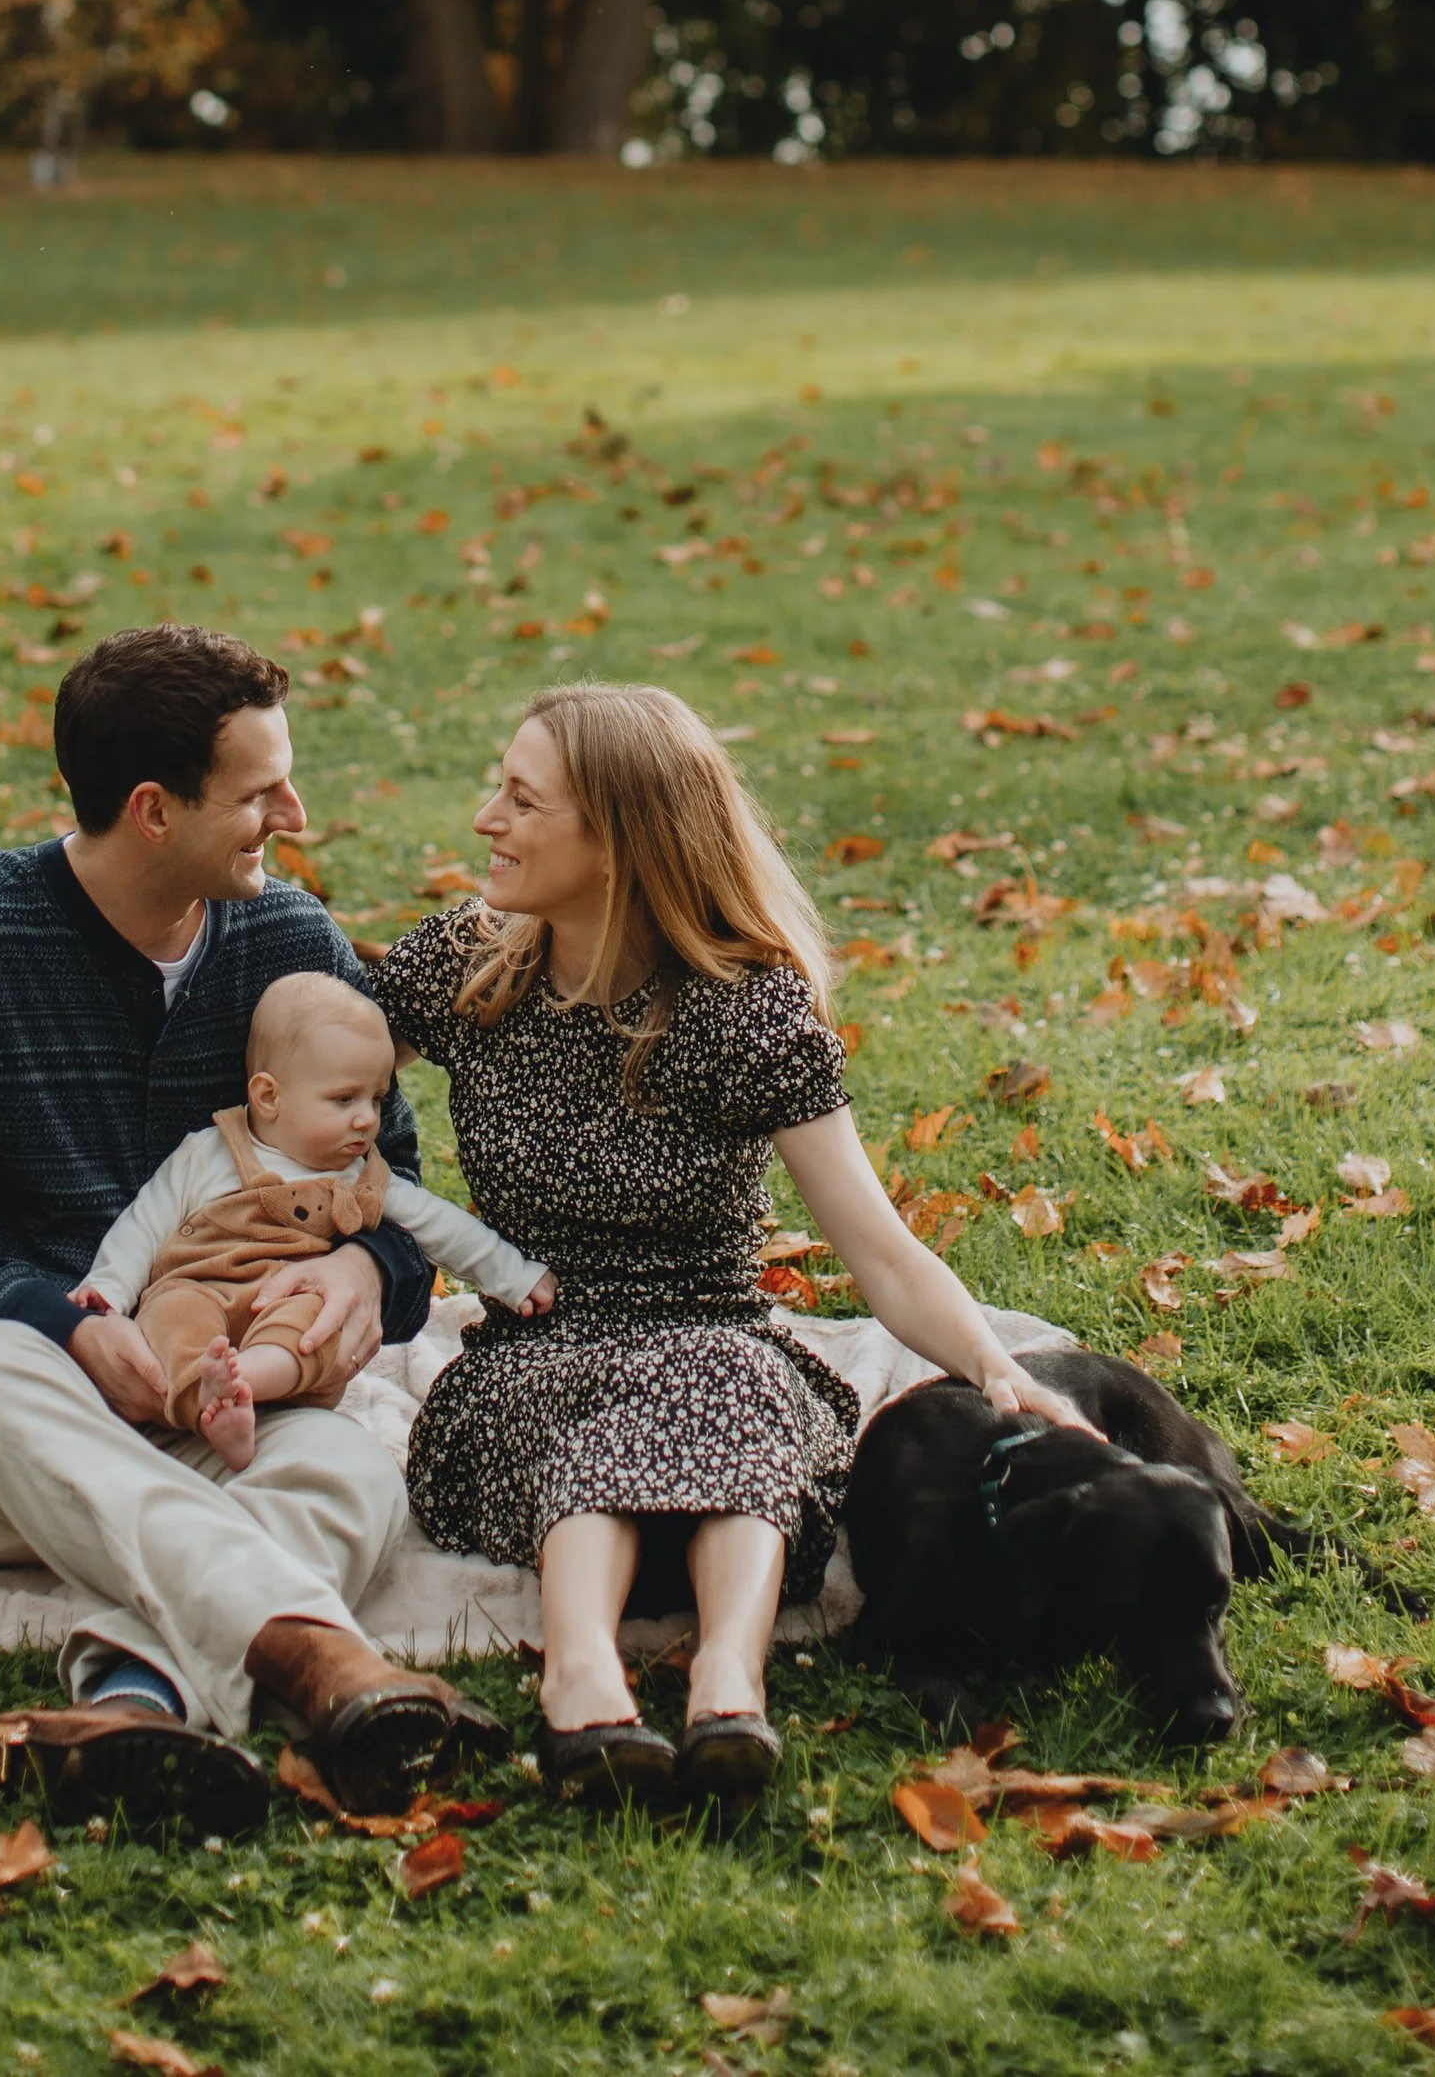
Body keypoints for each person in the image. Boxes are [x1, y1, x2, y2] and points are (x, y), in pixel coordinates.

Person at [0, 622, 503, 1835]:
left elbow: (386, 1179)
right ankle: (320, 1662)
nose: (291, 811)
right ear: (152, 810)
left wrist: (363, 1263)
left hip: (222, 1393)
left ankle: (135, 1705)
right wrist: (43, 1318)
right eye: (258, 790)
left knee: (349, 1476)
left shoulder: (290, 944)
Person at [368, 681, 1092, 1808]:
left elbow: (880, 1250)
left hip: (718, 1357)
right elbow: (306, 1071)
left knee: (724, 1375)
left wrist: (995, 1368)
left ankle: (726, 1691)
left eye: (520, 799)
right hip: (529, 1362)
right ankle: (582, 1682)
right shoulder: (470, 965)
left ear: (615, 841)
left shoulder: (742, 1012)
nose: (485, 822)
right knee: (616, 1397)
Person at [72, 969, 555, 1467]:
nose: (368, 1118)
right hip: (200, 1285)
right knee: (173, 1313)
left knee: (315, 1323)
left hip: (290, 1294)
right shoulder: (211, 1151)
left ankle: (245, 1384)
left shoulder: (362, 1178)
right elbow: (145, 1222)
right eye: (345, 1099)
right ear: (268, 1096)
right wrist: (107, 1288)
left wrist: (517, 1277)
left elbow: (445, 1228)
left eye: (377, 1098)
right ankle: (210, 1404)